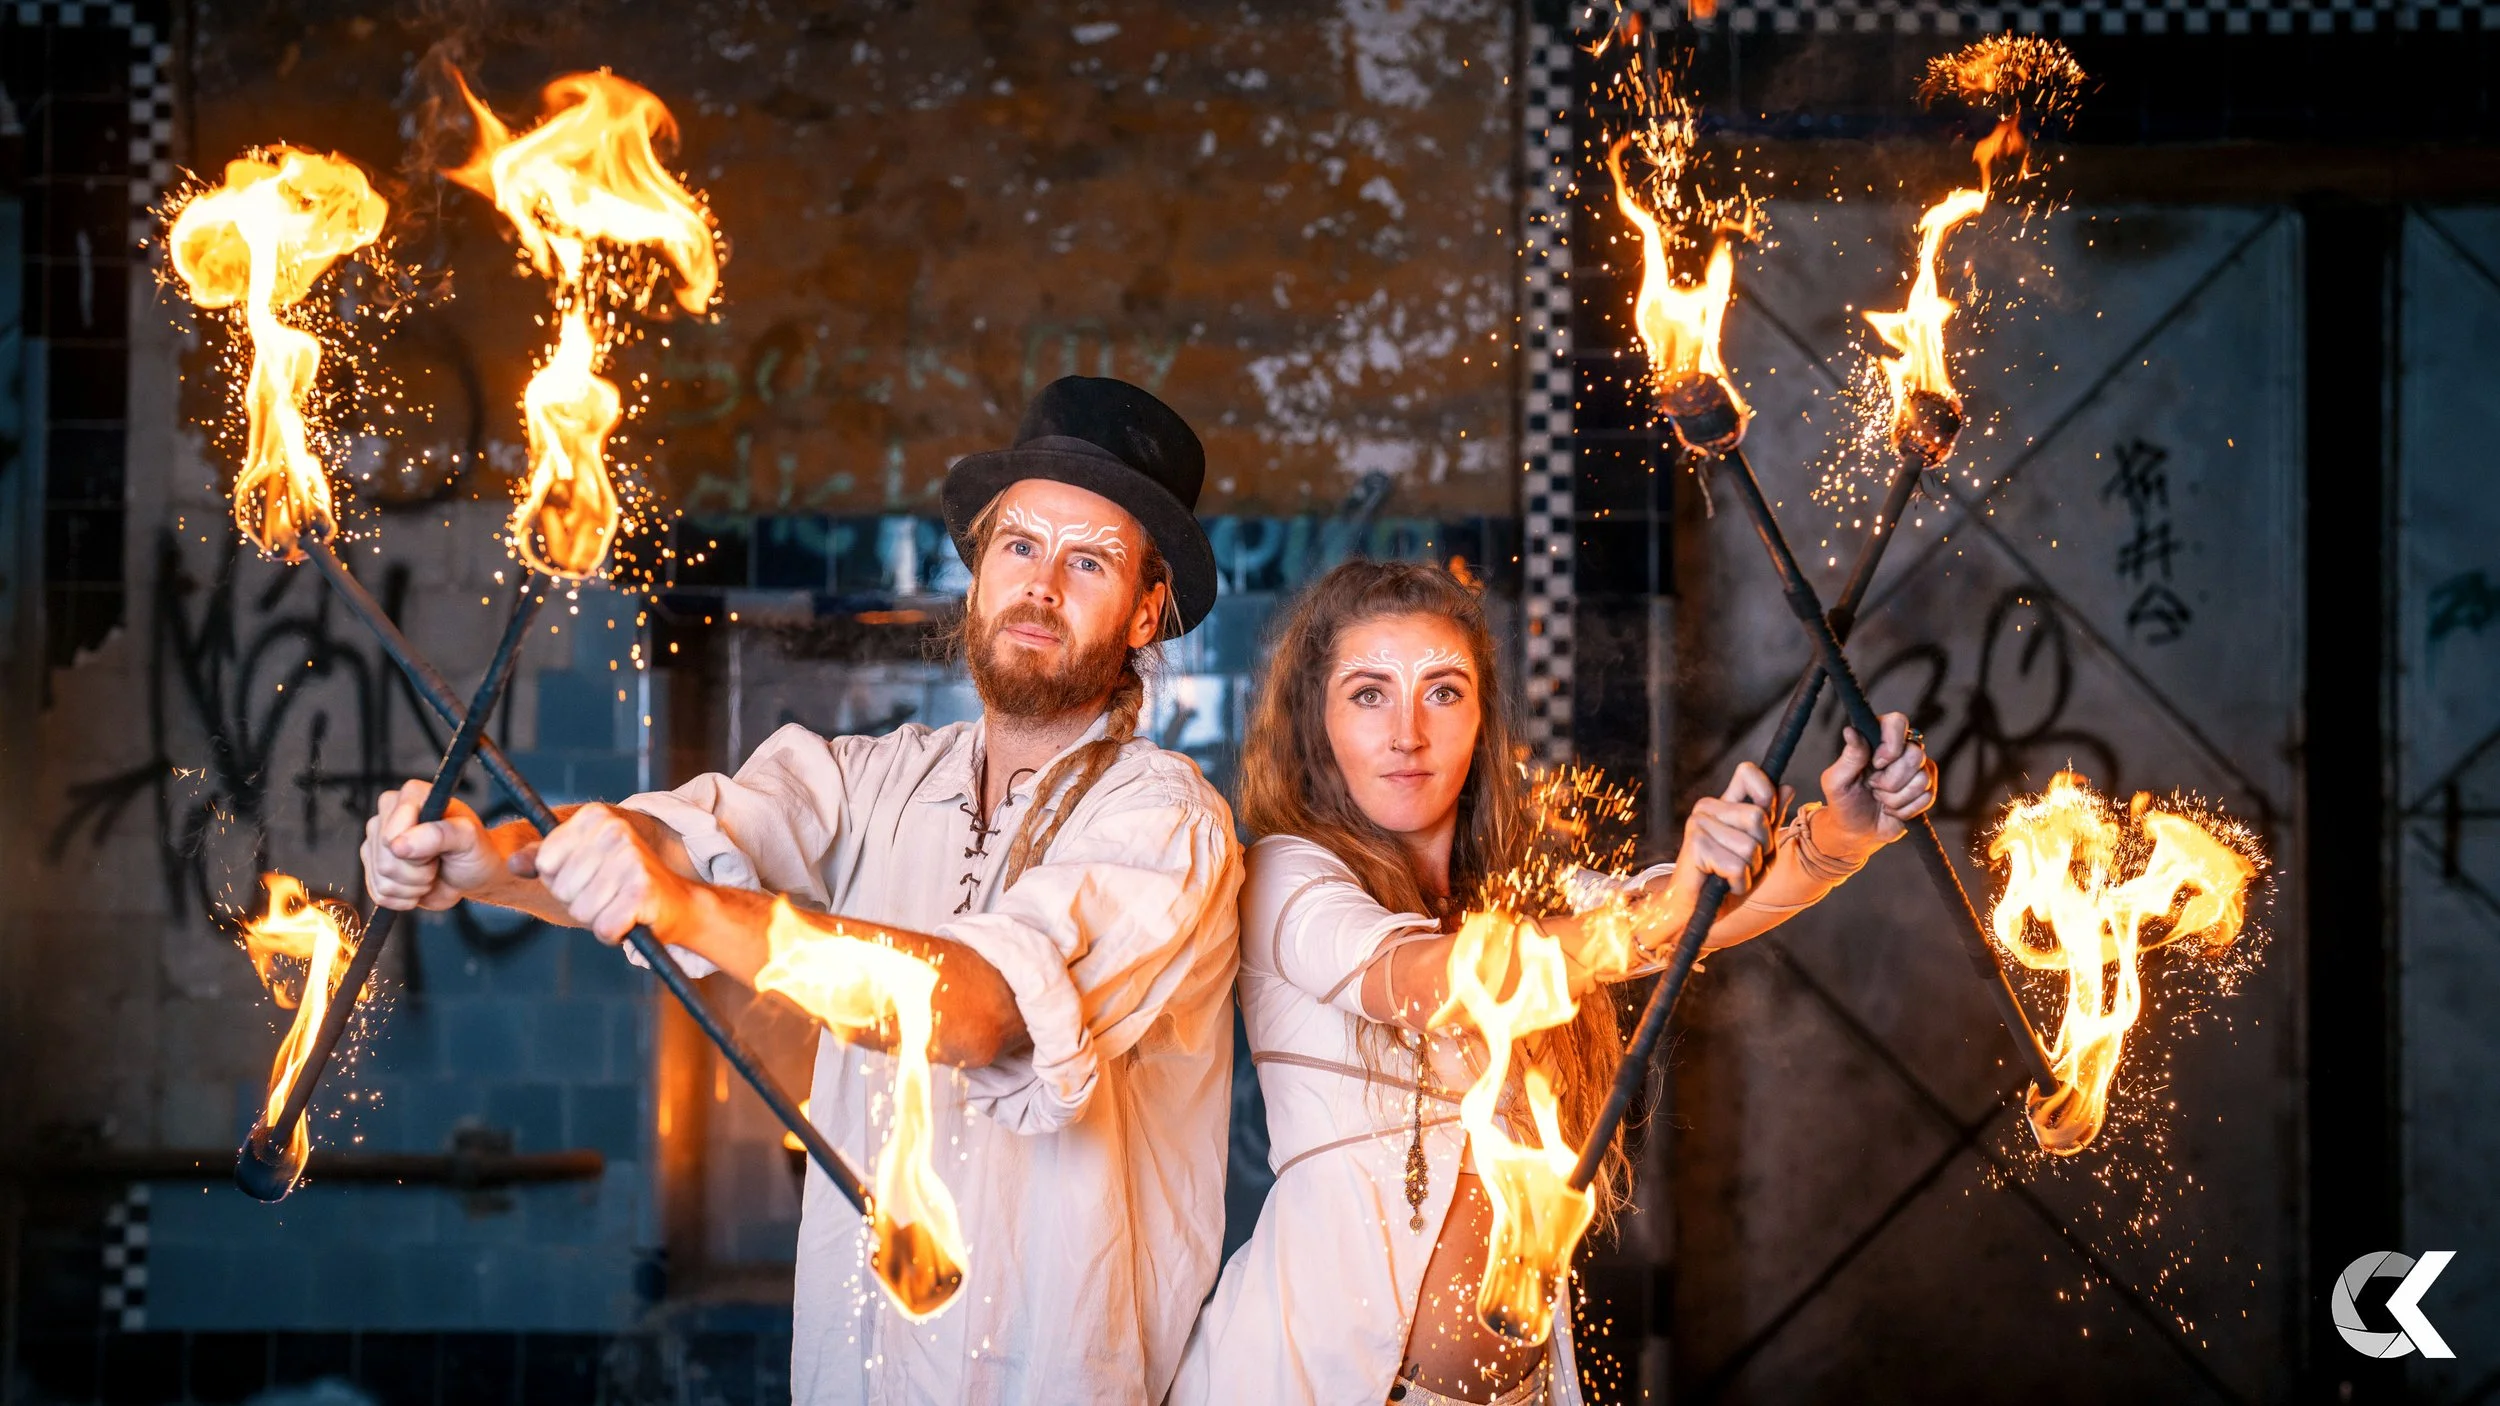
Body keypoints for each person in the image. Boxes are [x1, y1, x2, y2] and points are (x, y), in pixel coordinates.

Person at [362, 377, 1244, 1404]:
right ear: (975, 574)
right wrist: (488, 861)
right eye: (1019, 544)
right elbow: (684, 838)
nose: (1041, 584)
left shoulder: (1167, 820)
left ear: (1144, 610)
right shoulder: (876, 774)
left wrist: (683, 905)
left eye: (1087, 559)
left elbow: (981, 1011)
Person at [1169, 561, 1939, 1406]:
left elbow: (1683, 919)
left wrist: (1842, 832)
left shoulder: (1519, 901)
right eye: (1366, 693)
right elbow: (1429, 982)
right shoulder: (1285, 872)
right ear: (1316, 727)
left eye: (1443, 691)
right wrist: (1664, 905)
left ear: (1482, 720)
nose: (1406, 734)